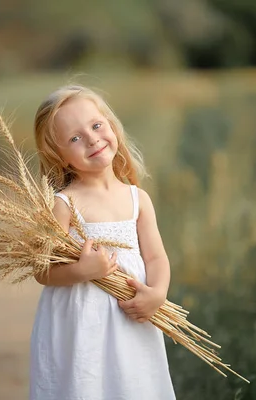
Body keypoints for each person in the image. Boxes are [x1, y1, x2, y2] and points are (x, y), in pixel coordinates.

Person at [29, 84, 176, 400]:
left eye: (96, 126)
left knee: (132, 385)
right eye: (75, 138)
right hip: (82, 324)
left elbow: (156, 258)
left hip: (131, 316)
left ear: (112, 127)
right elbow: (41, 270)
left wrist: (158, 294)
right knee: (87, 385)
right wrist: (82, 272)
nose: (92, 138)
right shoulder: (64, 204)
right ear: (61, 157)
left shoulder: (138, 199)